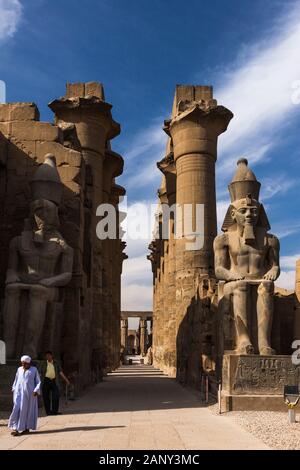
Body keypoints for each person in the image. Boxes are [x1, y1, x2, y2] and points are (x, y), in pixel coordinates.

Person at [8, 355, 41, 436]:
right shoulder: (19, 369)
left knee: (27, 411)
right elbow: (16, 380)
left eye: (25, 363)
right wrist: (14, 388)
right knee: (16, 409)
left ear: (28, 363)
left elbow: (38, 381)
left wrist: (36, 390)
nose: (23, 365)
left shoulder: (34, 370)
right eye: (22, 363)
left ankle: (26, 428)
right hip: (18, 394)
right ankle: (15, 428)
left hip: (29, 395)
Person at [41, 351, 70, 415]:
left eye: (49, 355)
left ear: (51, 356)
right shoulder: (43, 364)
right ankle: (48, 411)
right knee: (46, 397)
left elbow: (60, 372)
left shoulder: (56, 363)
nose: (48, 357)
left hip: (54, 381)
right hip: (46, 381)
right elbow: (40, 373)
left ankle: (55, 411)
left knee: (56, 396)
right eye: (47, 356)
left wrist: (66, 380)